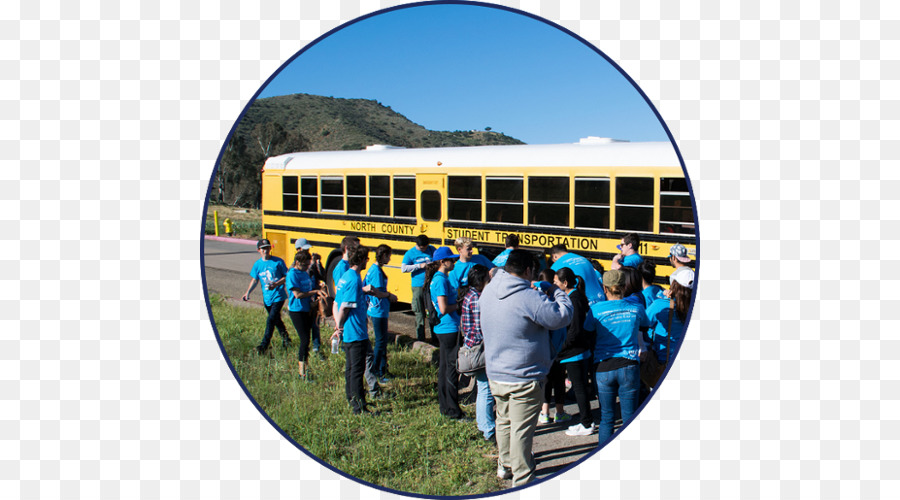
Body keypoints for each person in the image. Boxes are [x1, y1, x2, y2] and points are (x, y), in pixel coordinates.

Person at [480, 249, 573, 486]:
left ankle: (505, 465)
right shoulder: (528, 297)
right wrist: (554, 290)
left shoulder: (489, 289)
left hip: (496, 373)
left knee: (504, 421)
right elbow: (561, 316)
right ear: (529, 270)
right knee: (521, 430)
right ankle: (523, 479)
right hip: (525, 376)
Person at [590, 269, 649, 443]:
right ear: (624, 287)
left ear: (605, 288)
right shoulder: (636, 308)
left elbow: (587, 331)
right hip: (629, 364)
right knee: (629, 419)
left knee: (606, 418)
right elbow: (645, 326)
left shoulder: (595, 310)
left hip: (603, 365)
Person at [554, 267, 598, 437]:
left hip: (574, 351)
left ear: (565, 283)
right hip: (577, 349)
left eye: (556, 282)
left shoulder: (574, 299)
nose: (554, 284)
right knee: (579, 386)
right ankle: (585, 420)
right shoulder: (576, 297)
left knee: (579, 387)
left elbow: (574, 329)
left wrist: (562, 347)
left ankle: (587, 423)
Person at [332, 246, 375, 414]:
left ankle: (351, 398)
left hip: (350, 331)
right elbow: (344, 307)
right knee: (357, 370)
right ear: (362, 259)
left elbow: (336, 303)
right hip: (355, 331)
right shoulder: (354, 280)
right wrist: (339, 326)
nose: (367, 262)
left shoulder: (345, 276)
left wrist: (338, 324)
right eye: (366, 259)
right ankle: (359, 406)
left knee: (350, 368)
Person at [425, 246, 465, 419]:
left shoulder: (438, 278)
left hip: (443, 328)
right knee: (450, 369)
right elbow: (442, 308)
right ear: (443, 262)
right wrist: (458, 305)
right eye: (451, 259)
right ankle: (452, 409)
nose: (454, 261)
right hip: (448, 328)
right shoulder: (440, 280)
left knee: (443, 368)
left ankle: (444, 405)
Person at [460, 264, 495, 442]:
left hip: (473, 346)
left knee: (483, 388)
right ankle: (488, 429)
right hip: (480, 348)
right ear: (482, 280)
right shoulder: (477, 299)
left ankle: (484, 425)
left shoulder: (470, 295)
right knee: (486, 389)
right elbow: (482, 326)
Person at [243, 239, 291, 354]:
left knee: (270, 320)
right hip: (267, 298)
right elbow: (255, 280)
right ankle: (286, 339)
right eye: (263, 248)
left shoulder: (278, 262)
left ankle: (264, 345)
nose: (266, 250)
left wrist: (276, 284)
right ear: (258, 250)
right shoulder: (258, 265)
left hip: (279, 296)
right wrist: (247, 292)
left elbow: (287, 276)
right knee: (276, 320)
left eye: (268, 248)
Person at [644, 267, 694, 376]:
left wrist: (661, 296)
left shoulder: (661, 305)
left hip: (664, 361)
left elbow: (642, 323)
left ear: (674, 285)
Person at [536, 268, 571, 425]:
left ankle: (544, 412)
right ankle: (559, 412)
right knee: (559, 382)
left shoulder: (538, 301)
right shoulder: (555, 302)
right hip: (558, 349)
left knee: (546, 381)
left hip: (544, 350)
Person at [286, 250, 322, 380]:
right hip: (297, 310)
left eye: (308, 265)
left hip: (307, 308)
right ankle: (302, 372)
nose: (307, 267)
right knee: (304, 340)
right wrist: (314, 292)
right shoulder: (292, 274)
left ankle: (306, 367)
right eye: (305, 265)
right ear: (297, 263)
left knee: (307, 339)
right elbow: (298, 294)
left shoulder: (304, 272)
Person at [365, 244, 398, 383]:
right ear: (383, 255)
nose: (389, 258)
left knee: (382, 341)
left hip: (379, 310)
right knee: (380, 342)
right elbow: (376, 291)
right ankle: (378, 370)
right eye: (388, 255)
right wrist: (389, 295)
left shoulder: (374, 269)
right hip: (378, 311)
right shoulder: (377, 272)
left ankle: (383, 369)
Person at [402, 235, 436, 342]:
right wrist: (419, 266)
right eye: (422, 248)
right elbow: (404, 268)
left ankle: (435, 337)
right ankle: (421, 339)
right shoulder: (410, 253)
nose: (424, 249)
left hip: (430, 285)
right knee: (419, 312)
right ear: (417, 245)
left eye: (426, 247)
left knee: (432, 311)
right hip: (418, 285)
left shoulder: (432, 249)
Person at [296, 237, 326, 358]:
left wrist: (318, 264)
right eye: (304, 250)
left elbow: (322, 276)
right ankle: (307, 348)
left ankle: (316, 346)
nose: (308, 253)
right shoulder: (297, 266)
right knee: (307, 327)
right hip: (304, 301)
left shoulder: (312, 263)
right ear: (298, 250)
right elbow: (305, 276)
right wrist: (312, 264)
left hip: (314, 299)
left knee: (315, 324)